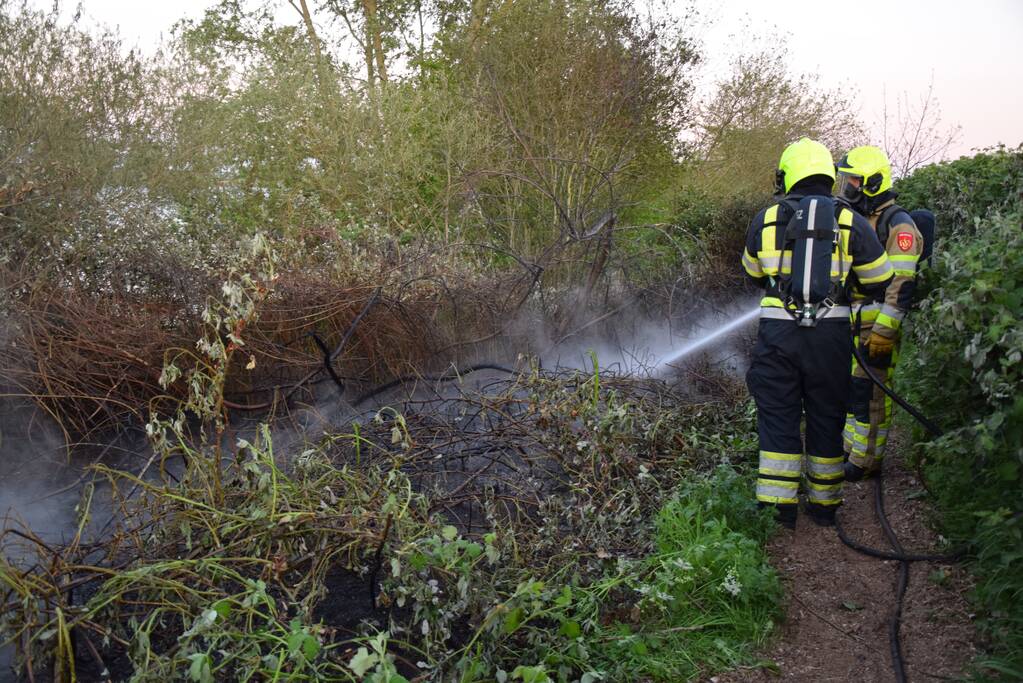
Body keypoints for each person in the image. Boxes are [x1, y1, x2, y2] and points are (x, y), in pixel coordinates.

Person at [741, 138, 894, 528]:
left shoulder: (767, 218)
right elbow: (881, 277)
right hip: (831, 338)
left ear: (787, 175)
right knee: (827, 416)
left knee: (779, 416)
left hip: (778, 337)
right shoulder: (849, 219)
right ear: (828, 175)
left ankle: (778, 512)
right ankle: (824, 507)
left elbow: (753, 273)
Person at [835, 146, 925, 481]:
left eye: (854, 181)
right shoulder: (863, 219)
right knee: (851, 388)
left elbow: (901, 286)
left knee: (871, 393)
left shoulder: (898, 226)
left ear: (873, 182)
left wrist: (884, 333)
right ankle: (851, 447)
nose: (848, 187)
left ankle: (866, 461)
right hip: (855, 318)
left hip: (878, 323)